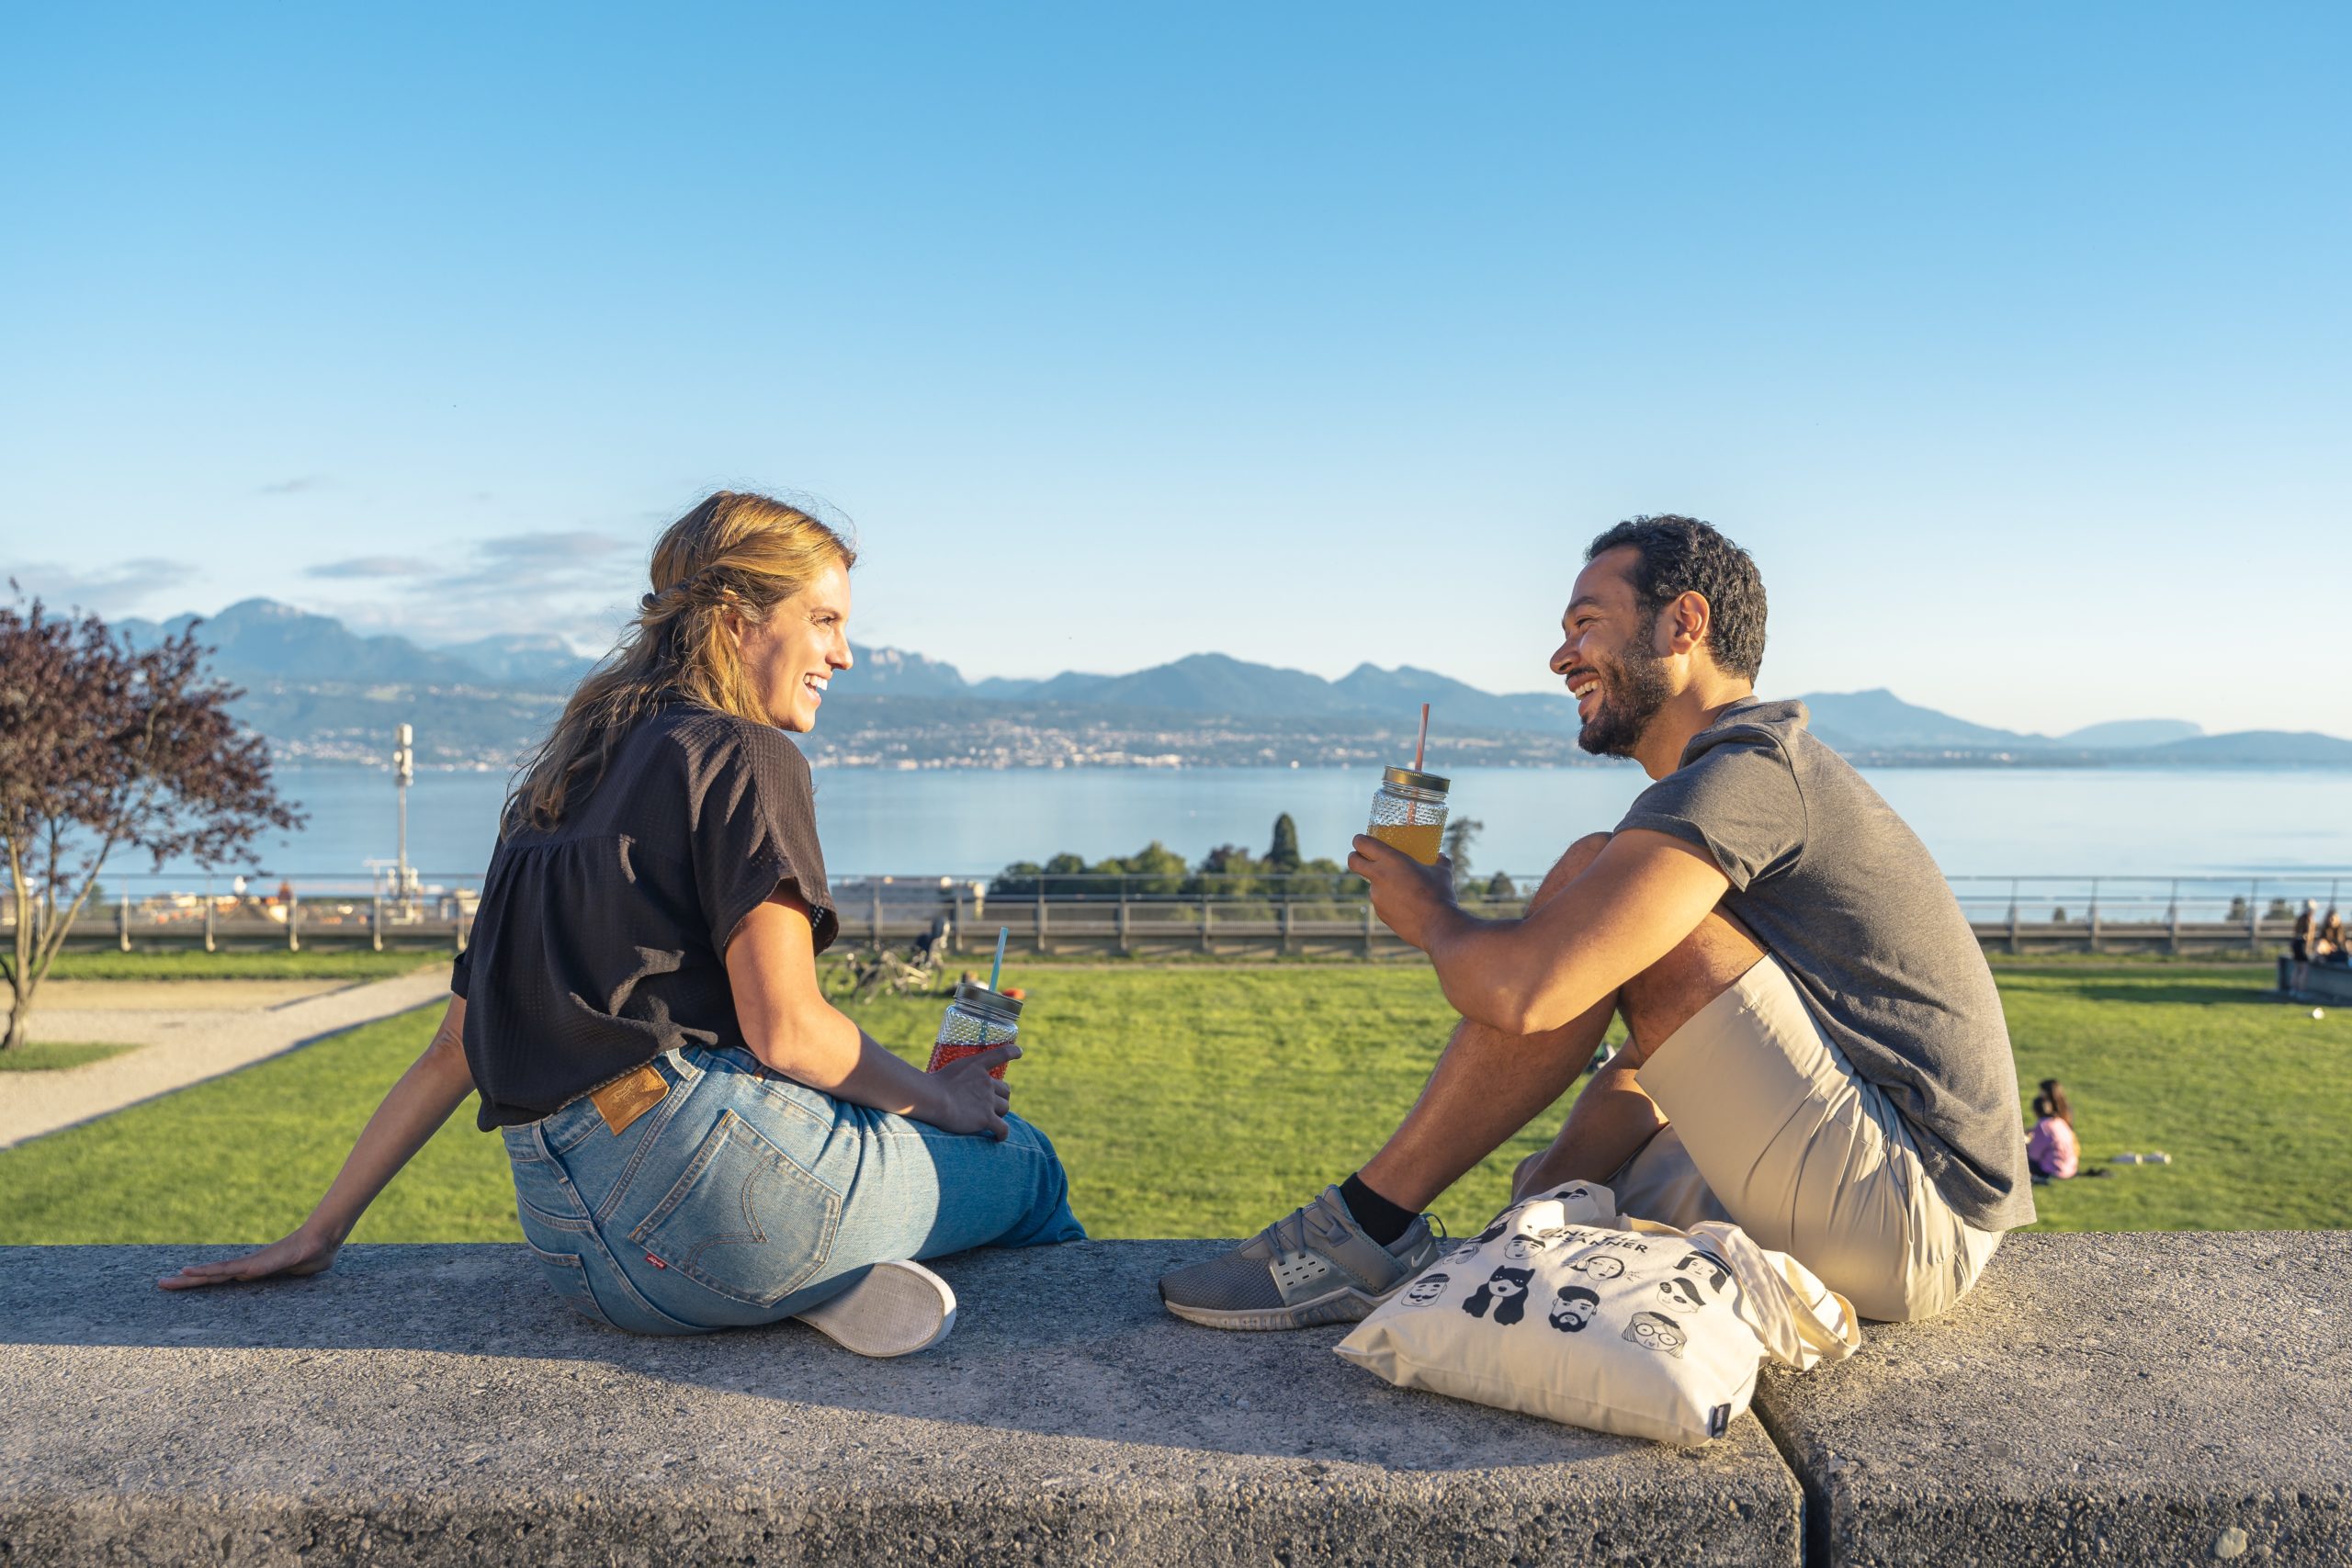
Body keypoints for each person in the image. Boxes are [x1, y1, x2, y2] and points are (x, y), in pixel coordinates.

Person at [161, 491, 1084, 1356]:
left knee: (820, 1162)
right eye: (826, 620)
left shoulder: (551, 789)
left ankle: (797, 1279)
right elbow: (790, 1031)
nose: (843, 655)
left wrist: (319, 1235)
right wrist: (951, 1102)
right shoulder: (742, 754)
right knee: (1027, 1164)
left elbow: (456, 1049)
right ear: (735, 620)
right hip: (708, 1184)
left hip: (582, 1254)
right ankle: (820, 1273)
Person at [1159, 514, 2031, 1329]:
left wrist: (1431, 914)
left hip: (1914, 1210)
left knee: (1589, 878)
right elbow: (1651, 1068)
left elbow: (1530, 989)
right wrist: (1540, 1186)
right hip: (1889, 1192)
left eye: (1587, 623)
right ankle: (1419, 1229)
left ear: (1684, 622)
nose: (1559, 657)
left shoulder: (1747, 775)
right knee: (1552, 1185)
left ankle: (1357, 1230)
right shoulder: (1737, 787)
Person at [2026, 1079, 2079, 1183]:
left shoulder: (2043, 1126)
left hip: (2054, 1169)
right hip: (2070, 1166)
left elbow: (2034, 1154)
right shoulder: (2060, 1121)